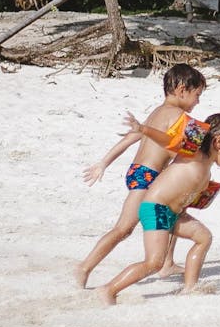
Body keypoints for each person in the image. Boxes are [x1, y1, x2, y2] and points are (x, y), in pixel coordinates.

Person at [75, 63, 205, 288]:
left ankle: (167, 263)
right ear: (182, 90)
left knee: (175, 210)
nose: (198, 101)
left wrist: (104, 162)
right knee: (123, 228)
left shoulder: (157, 112)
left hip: (140, 172)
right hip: (147, 175)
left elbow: (131, 137)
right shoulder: (178, 116)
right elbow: (189, 147)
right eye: (197, 95)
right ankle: (84, 267)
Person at [100, 113, 220, 305]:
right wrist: (143, 129)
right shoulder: (192, 153)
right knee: (154, 262)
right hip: (156, 209)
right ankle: (109, 290)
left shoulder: (206, 169)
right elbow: (170, 141)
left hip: (174, 214)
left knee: (204, 238)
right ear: (219, 142)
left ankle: (190, 287)